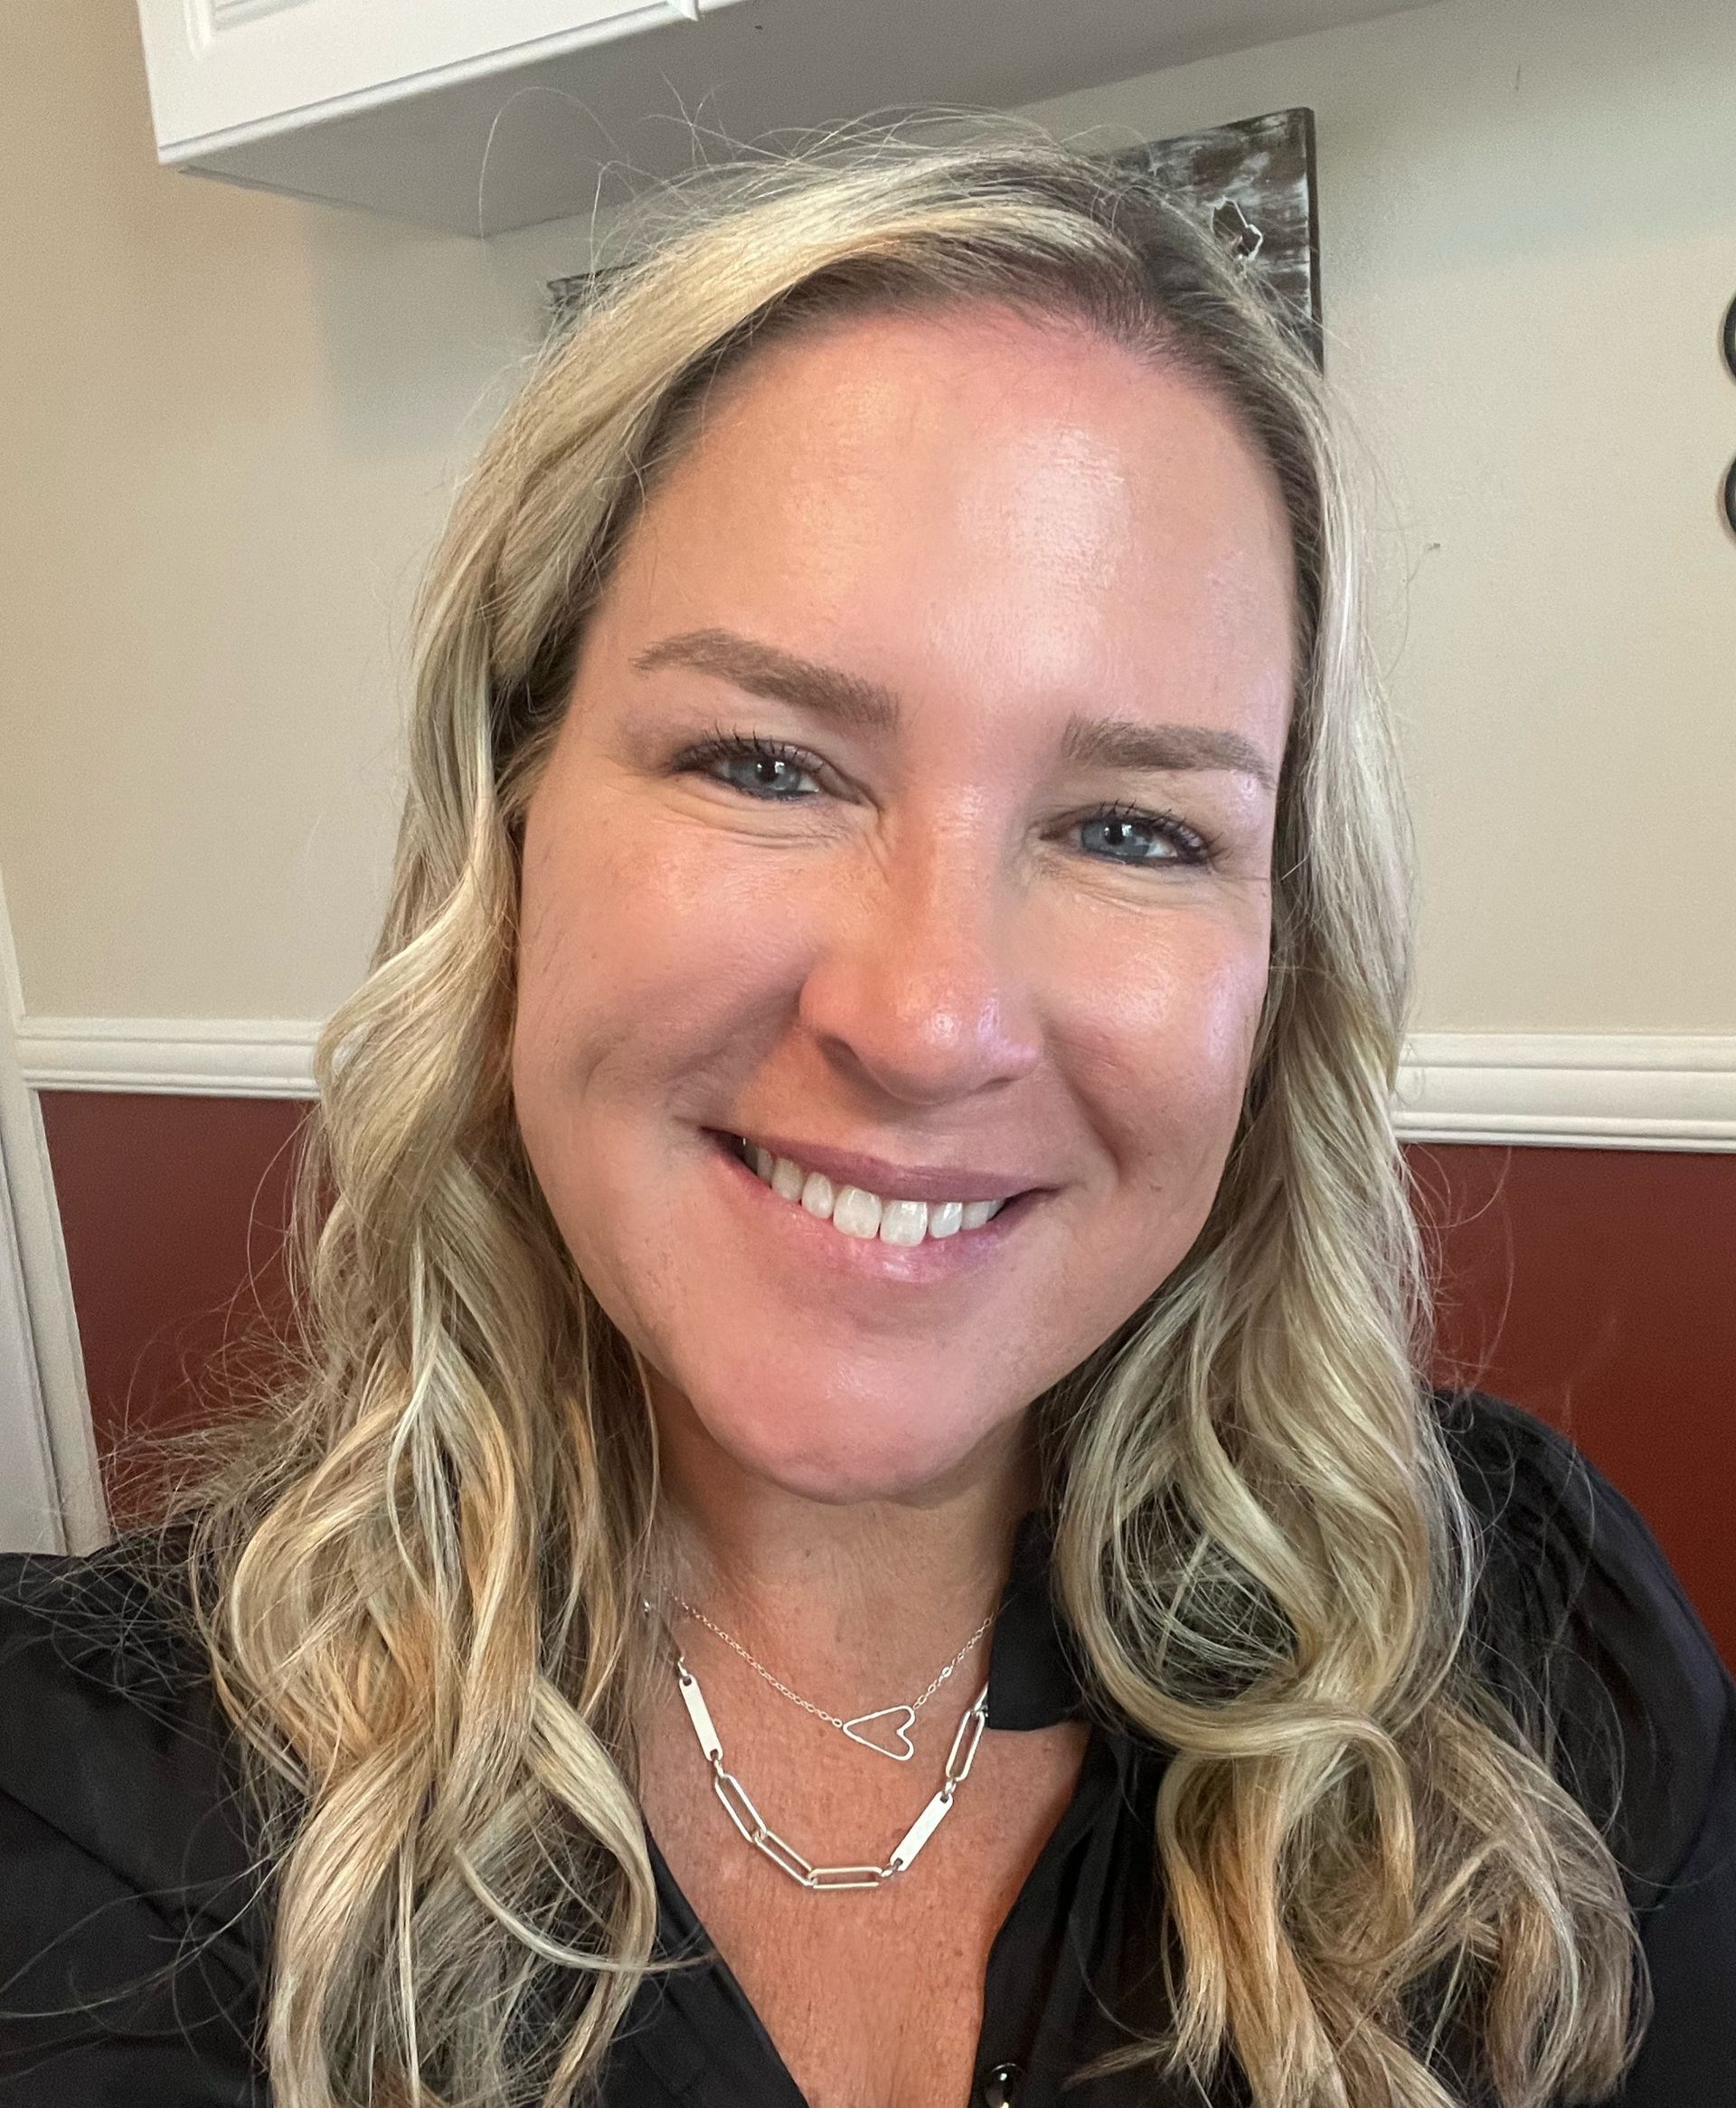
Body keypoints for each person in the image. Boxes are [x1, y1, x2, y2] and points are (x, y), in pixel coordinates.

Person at [1, 130, 1731, 2108]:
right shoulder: (90, 1807)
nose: (926, 1017)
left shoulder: (1535, 1649)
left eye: (1133, 826)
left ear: (1281, 968)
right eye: (768, 762)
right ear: (508, 831)